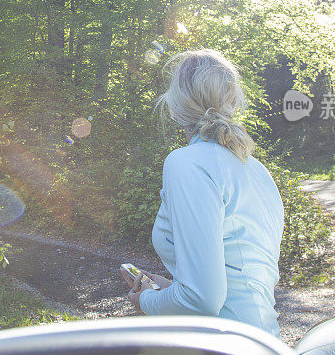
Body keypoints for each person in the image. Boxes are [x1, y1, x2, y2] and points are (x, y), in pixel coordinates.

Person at [121, 49, 284, 338]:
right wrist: (173, 289)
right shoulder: (257, 169)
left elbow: (202, 300)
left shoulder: (186, 162)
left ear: (174, 106)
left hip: (225, 354)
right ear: (233, 101)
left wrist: (145, 300)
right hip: (264, 346)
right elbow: (236, 280)